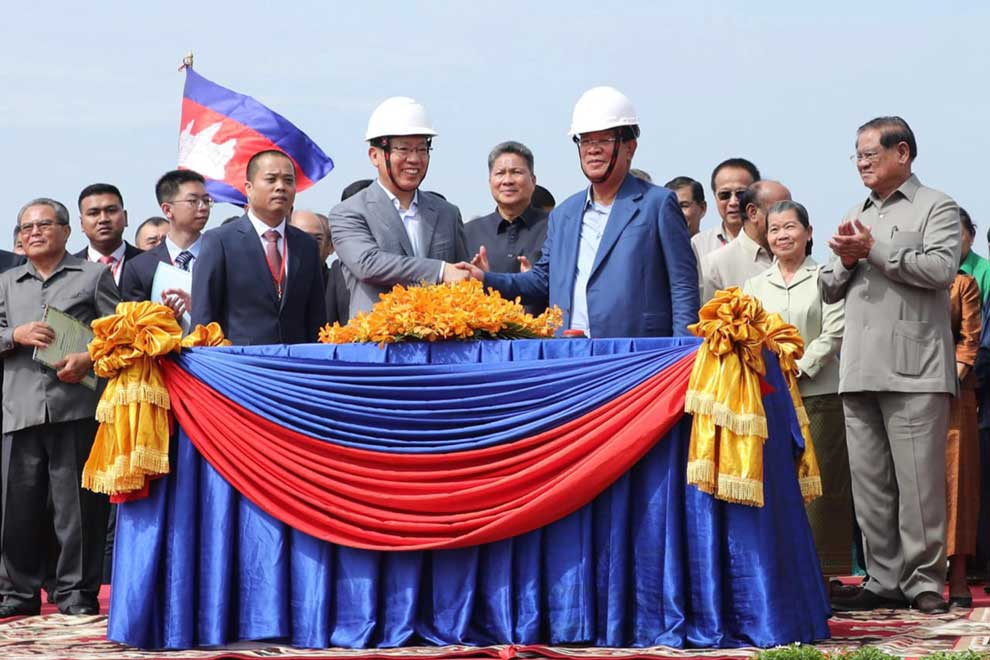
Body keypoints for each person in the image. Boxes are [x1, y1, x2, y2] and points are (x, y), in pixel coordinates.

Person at [822, 116, 960, 615]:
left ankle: (924, 581)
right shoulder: (854, 213)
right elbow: (828, 288)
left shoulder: (935, 206)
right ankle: (882, 578)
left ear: (902, 153)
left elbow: (942, 269)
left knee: (920, 484)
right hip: (857, 368)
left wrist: (872, 251)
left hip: (914, 367)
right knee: (871, 485)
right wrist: (846, 258)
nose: (861, 162)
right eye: (856, 155)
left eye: (869, 153)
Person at [460, 86, 699, 338]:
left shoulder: (657, 204)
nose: (592, 149)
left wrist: (680, 354)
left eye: (604, 140)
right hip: (572, 355)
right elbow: (540, 281)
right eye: (586, 140)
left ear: (630, 147)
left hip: (636, 358)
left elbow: (683, 287)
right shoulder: (564, 214)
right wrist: (484, 279)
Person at [0, 198, 118, 616]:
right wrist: (15, 333)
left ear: (66, 231)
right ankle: (17, 593)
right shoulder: (7, 282)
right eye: (26, 226)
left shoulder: (93, 276)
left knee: (78, 510)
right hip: (20, 409)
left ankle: (75, 593)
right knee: (16, 508)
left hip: (76, 406)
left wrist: (87, 358)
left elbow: (116, 336)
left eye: (43, 224)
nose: (33, 232)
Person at [743, 200, 850, 588]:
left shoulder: (826, 277)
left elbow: (834, 332)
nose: (782, 235)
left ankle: (824, 573)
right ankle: (778, 572)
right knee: (776, 482)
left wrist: (798, 367)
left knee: (822, 485)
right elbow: (749, 336)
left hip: (818, 394)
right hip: (770, 397)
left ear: (808, 232)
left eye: (790, 227)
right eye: (774, 229)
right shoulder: (753, 286)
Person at [329, 97, 470, 318]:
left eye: (422, 150)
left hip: (442, 344)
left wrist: (472, 273)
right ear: (375, 156)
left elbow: (460, 278)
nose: (414, 159)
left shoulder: (447, 213)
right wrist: (441, 271)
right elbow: (368, 264)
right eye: (403, 149)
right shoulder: (348, 213)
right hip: (379, 344)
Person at [190, 150, 327, 345]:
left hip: (296, 366)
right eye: (271, 180)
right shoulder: (219, 241)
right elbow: (203, 321)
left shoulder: (306, 246)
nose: (281, 187)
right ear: (249, 188)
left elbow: (316, 319)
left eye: (288, 181)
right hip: (242, 367)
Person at [466, 141, 549, 314]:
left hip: (542, 338)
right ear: (490, 181)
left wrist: (533, 280)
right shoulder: (468, 232)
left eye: (516, 172)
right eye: (500, 173)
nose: (507, 180)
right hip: (484, 339)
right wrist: (481, 281)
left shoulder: (555, 227)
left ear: (533, 181)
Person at [121, 170, 210, 313]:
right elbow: (136, 324)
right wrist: (164, 319)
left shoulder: (224, 256)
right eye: (193, 201)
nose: (203, 207)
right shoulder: (139, 268)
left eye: (206, 200)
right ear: (167, 210)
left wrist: (201, 310)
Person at [943, 272, 981, 606]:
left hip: (953, 391)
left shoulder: (961, 284)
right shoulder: (903, 277)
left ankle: (958, 577)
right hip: (905, 388)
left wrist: (949, 381)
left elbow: (970, 341)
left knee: (958, 485)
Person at [703, 180, 791, 300]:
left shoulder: (795, 255)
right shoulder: (716, 265)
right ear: (752, 212)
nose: (789, 217)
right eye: (779, 210)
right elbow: (710, 316)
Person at [690, 158, 760, 270]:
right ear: (715, 197)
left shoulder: (772, 241)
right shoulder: (698, 245)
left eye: (741, 194)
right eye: (724, 195)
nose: (733, 202)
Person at [75, 183, 143, 286]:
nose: (103, 219)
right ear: (81, 223)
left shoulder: (148, 263)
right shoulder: (68, 269)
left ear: (125, 217)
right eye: (93, 213)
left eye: (111, 211)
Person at [290, 209, 349, 326]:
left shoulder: (341, 281)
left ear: (330, 247)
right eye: (303, 237)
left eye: (317, 239)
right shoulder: (277, 279)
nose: (310, 244)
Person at [960, 208, 990, 302]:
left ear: (972, 235)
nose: (951, 241)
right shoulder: (934, 271)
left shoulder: (986, 272)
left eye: (957, 234)